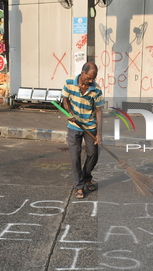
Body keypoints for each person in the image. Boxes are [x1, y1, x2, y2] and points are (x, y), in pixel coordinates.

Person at [61, 62, 105, 199]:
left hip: (90, 126)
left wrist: (99, 133)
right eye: (89, 78)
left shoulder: (96, 90)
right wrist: (69, 113)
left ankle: (86, 177)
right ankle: (79, 186)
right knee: (75, 157)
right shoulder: (69, 83)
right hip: (74, 126)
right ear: (83, 73)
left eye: (94, 78)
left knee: (93, 153)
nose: (91, 81)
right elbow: (65, 100)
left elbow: (99, 111)